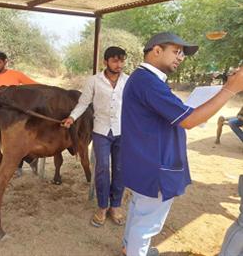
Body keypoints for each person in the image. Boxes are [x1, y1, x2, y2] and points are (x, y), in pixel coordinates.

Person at [120, 32, 243, 256]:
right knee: (147, 224)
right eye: (176, 51)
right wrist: (230, 90)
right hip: (155, 166)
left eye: (182, 54)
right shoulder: (148, 82)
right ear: (157, 50)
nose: (181, 57)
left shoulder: (143, 79)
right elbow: (189, 120)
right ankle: (136, 250)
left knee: (140, 211)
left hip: (144, 163)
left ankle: (131, 248)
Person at [62, 46, 129, 226]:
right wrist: (72, 117)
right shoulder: (94, 81)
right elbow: (83, 103)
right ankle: (102, 206)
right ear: (105, 62)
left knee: (120, 169)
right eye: (115, 60)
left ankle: (115, 206)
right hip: (101, 131)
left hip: (122, 131)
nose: (119, 64)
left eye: (122, 60)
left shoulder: (128, 81)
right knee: (102, 168)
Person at [0, 51, 38, 177]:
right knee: (1, 140)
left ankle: (19, 167)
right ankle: (29, 160)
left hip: (16, 111)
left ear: (5, 62)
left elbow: (35, 85)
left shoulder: (16, 74)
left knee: (16, 139)